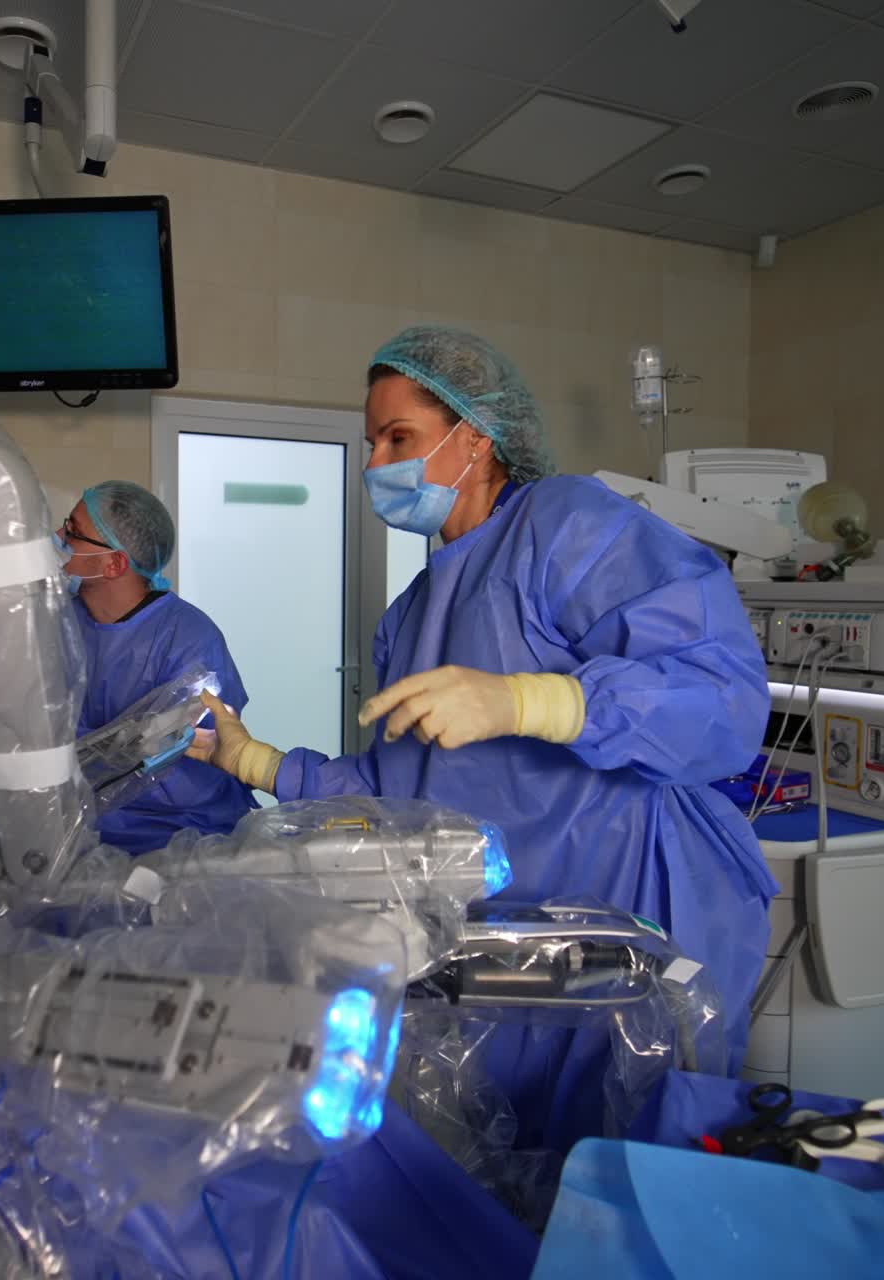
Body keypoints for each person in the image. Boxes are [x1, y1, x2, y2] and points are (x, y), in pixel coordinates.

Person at [190, 326, 778, 1152]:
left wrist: (538, 702)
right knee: (515, 1188)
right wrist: (252, 760)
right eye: (372, 444)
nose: (374, 466)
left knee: (629, 1180)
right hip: (499, 949)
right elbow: (402, 799)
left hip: (632, 927)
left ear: (476, 437)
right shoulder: (415, 610)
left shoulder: (567, 524)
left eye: (400, 439)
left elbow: (723, 704)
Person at [55, 480, 255, 854]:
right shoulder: (62, 622)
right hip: (82, 829)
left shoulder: (190, 640)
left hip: (179, 836)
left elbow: (185, 765)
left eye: (73, 532)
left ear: (114, 563)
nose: (58, 537)